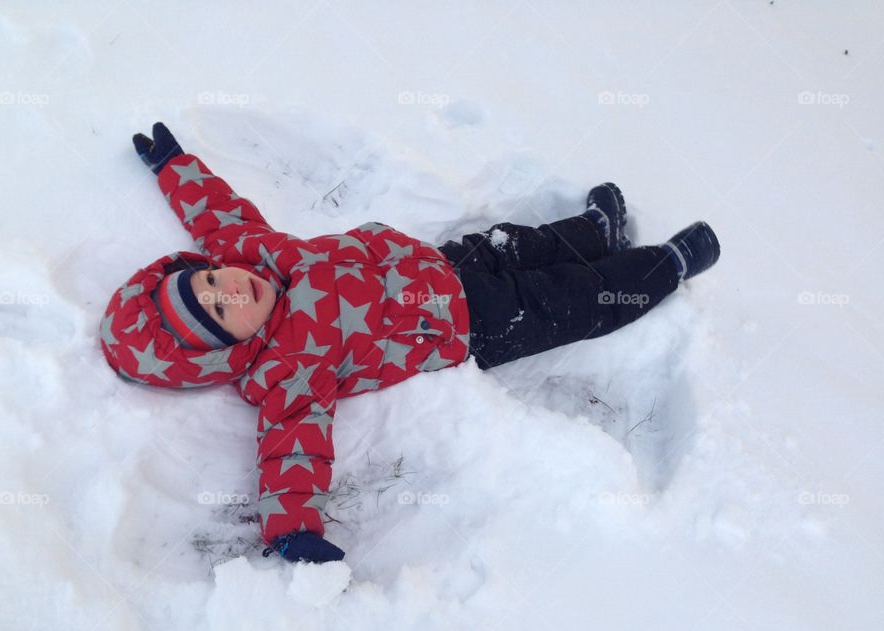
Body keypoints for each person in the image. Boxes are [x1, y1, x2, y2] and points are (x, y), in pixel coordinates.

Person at [100, 123, 720, 565]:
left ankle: (591, 231)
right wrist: (291, 532)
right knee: (567, 300)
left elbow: (215, 213)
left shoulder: (249, 251)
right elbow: (292, 450)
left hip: (433, 264)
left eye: (208, 278)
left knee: (515, 244)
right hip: (459, 324)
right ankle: (661, 267)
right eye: (218, 309)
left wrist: (173, 167)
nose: (229, 286)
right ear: (223, 351)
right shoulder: (286, 370)